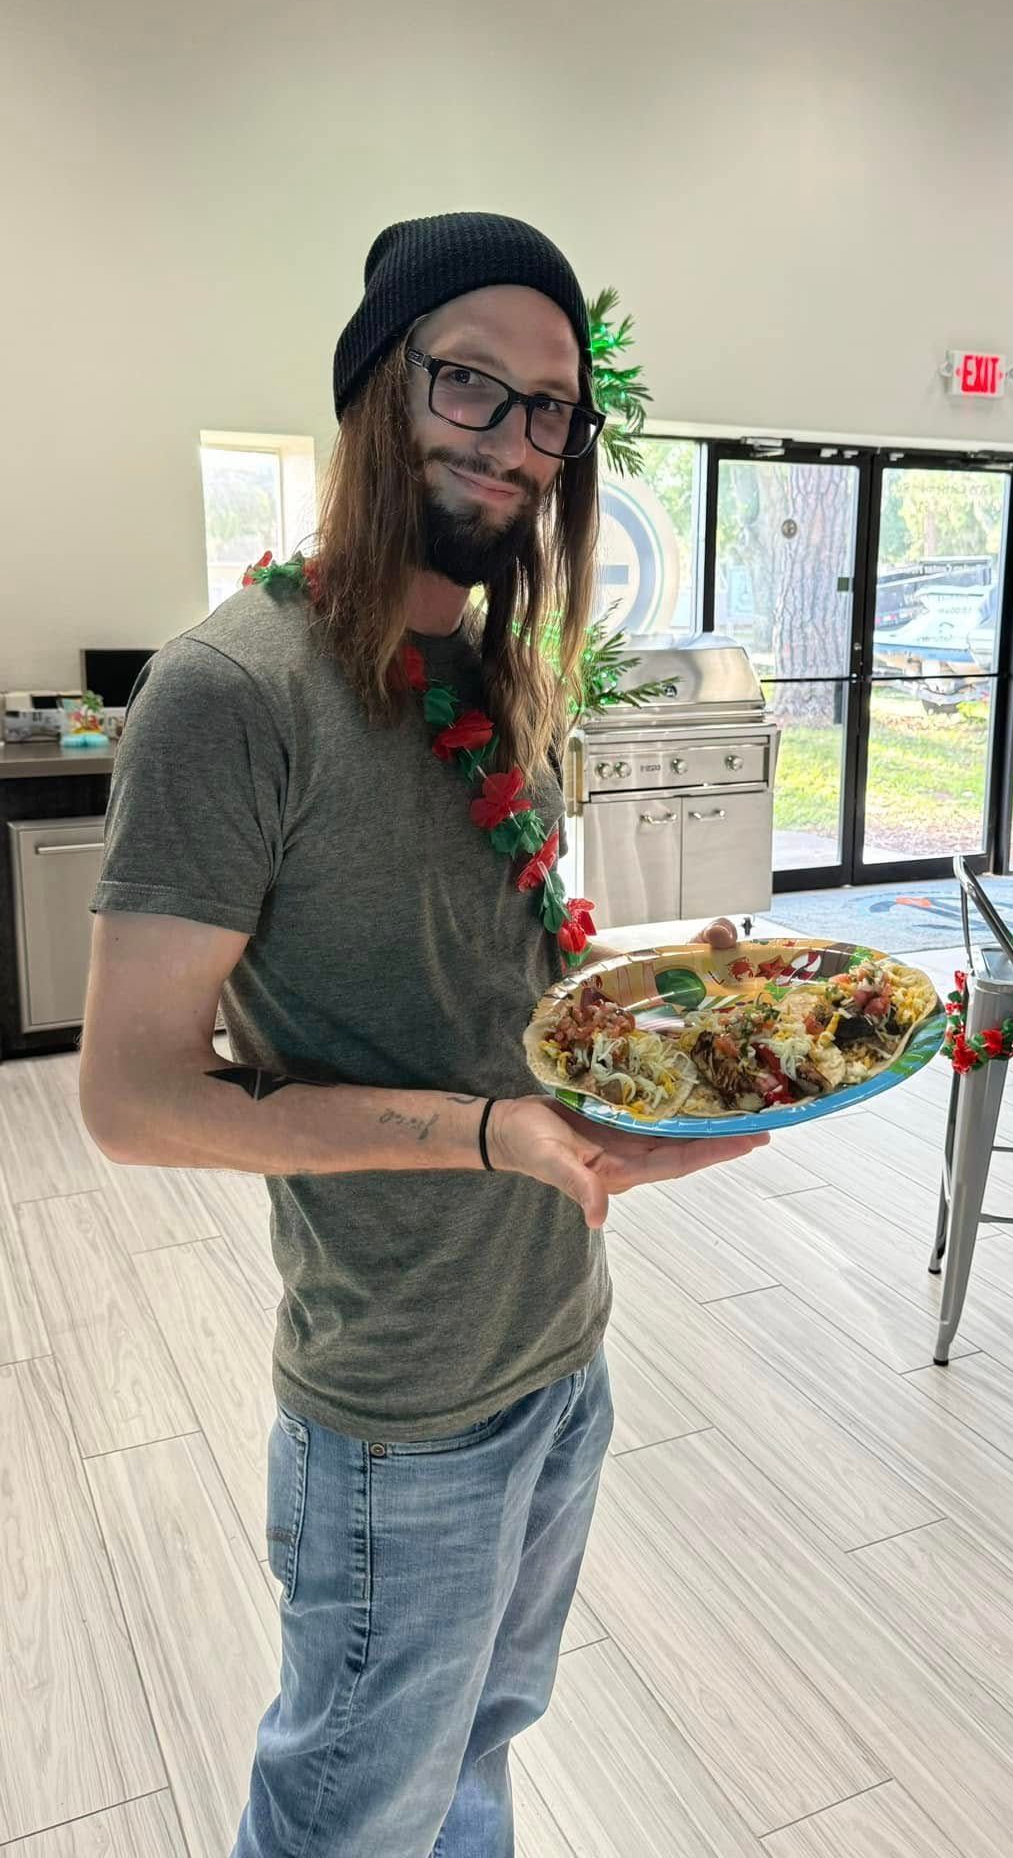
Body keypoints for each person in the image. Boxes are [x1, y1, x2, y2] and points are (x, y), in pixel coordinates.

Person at [79, 211, 750, 1858]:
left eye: (551, 411)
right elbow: (133, 1098)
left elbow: (495, 994)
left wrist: (666, 1003)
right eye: (471, 384)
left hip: (558, 1343)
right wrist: (485, 1137)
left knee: (476, 1754)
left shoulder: (494, 666)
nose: (516, 443)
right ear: (378, 390)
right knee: (347, 1813)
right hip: (400, 1411)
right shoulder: (232, 694)